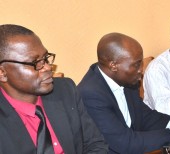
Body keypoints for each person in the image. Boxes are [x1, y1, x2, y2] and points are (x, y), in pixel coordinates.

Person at [77, 32, 170, 154]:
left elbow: (145, 116)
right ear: (113, 66)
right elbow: (125, 143)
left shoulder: (126, 79)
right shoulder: (91, 94)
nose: (141, 70)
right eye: (136, 64)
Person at [0, 24, 108, 154]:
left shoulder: (65, 90)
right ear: (2, 73)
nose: (46, 67)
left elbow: (95, 144)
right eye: (35, 63)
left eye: (45, 58)